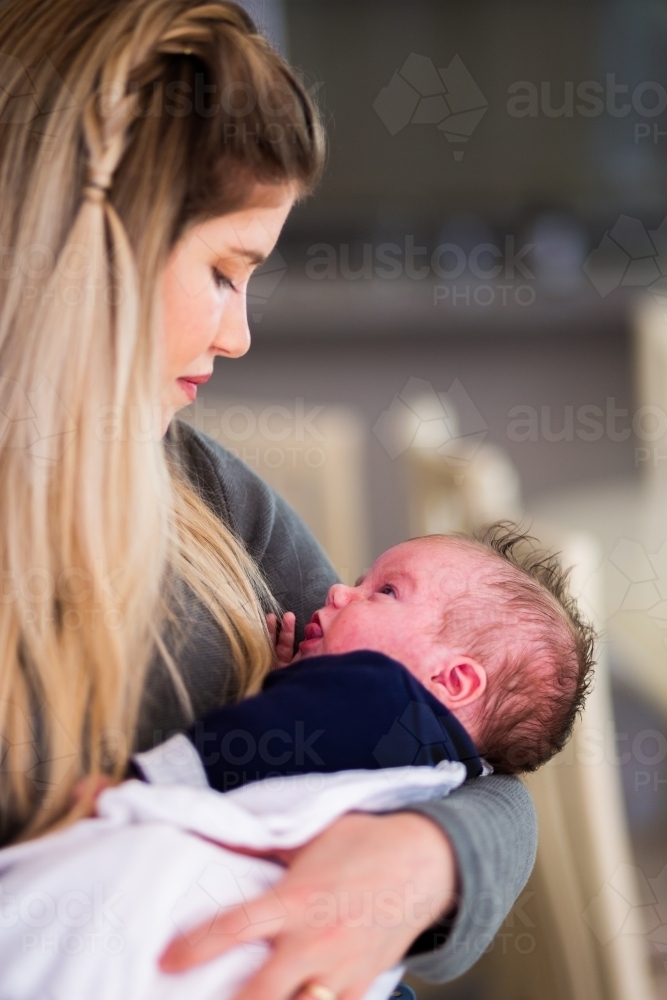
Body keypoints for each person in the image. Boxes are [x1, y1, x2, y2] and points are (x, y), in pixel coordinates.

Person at [0, 1, 538, 997]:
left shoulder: (214, 504)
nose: (238, 334)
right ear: (88, 244)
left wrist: (428, 857)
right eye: (221, 270)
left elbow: (466, 755)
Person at [148, 525, 595, 793]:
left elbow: (249, 745)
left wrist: (145, 781)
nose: (338, 591)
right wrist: (291, 686)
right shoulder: (447, 765)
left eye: (385, 591)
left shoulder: (383, 696)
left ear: (452, 680)